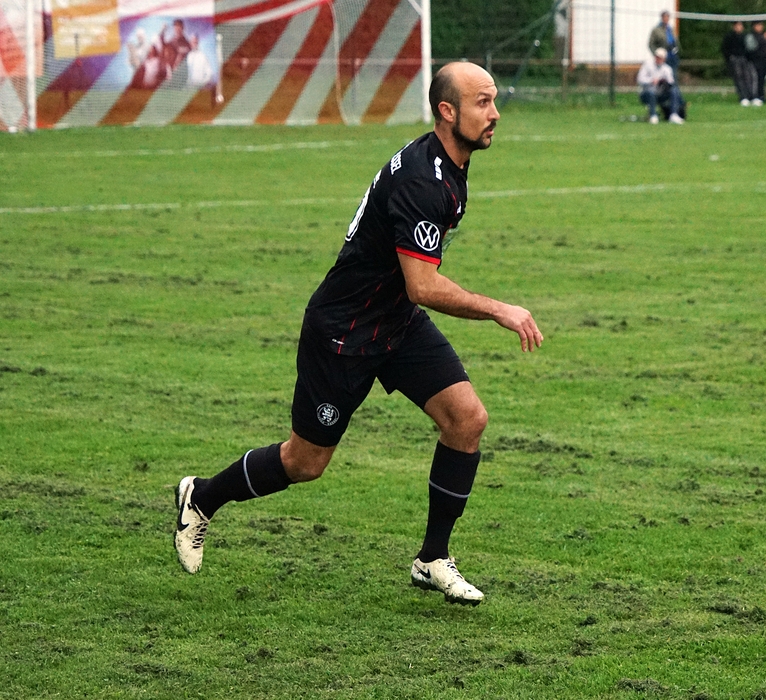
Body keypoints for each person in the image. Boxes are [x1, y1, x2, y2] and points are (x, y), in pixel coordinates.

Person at [173, 62, 544, 607]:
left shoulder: (448, 165)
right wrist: (498, 309)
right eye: (483, 103)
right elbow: (422, 285)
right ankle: (202, 498)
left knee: (467, 419)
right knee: (305, 462)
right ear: (447, 112)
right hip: (343, 332)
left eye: (493, 101)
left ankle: (432, 559)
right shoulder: (423, 181)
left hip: (395, 322)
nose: (495, 114)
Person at [638, 48, 682, 124]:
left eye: (660, 58)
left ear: (664, 59)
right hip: (647, 93)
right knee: (651, 92)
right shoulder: (647, 66)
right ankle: (653, 115)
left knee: (674, 91)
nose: (658, 59)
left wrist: (663, 82)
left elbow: (671, 82)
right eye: (657, 57)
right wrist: (651, 81)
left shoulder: (667, 69)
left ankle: (673, 115)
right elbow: (640, 79)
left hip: (661, 93)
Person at [721, 21, 755, 107]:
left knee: (748, 77)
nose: (739, 27)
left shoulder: (745, 36)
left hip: (744, 59)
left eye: (740, 26)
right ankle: (743, 97)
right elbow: (725, 49)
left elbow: (749, 48)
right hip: (735, 59)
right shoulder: (729, 37)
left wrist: (748, 58)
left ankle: (750, 96)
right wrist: (730, 58)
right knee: (738, 78)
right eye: (737, 26)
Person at [747, 21, 766, 105]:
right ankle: (754, 96)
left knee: (762, 79)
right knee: (755, 79)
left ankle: (761, 96)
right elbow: (752, 48)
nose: (760, 27)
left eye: (761, 25)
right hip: (754, 61)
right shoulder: (750, 36)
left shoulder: (764, 35)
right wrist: (763, 39)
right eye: (758, 25)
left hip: (763, 61)